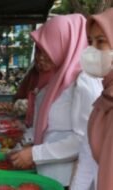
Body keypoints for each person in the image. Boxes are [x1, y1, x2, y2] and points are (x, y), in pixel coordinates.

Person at [9, 14, 103, 188]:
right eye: (38, 49)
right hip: (47, 174)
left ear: (66, 45)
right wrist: (24, 142)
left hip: (69, 179)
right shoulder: (53, 81)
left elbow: (85, 140)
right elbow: (46, 127)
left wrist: (35, 154)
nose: (40, 57)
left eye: (48, 49)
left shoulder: (83, 81)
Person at [70, 8, 113, 190]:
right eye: (90, 42)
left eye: (101, 41)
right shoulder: (102, 103)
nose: (91, 50)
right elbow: (86, 165)